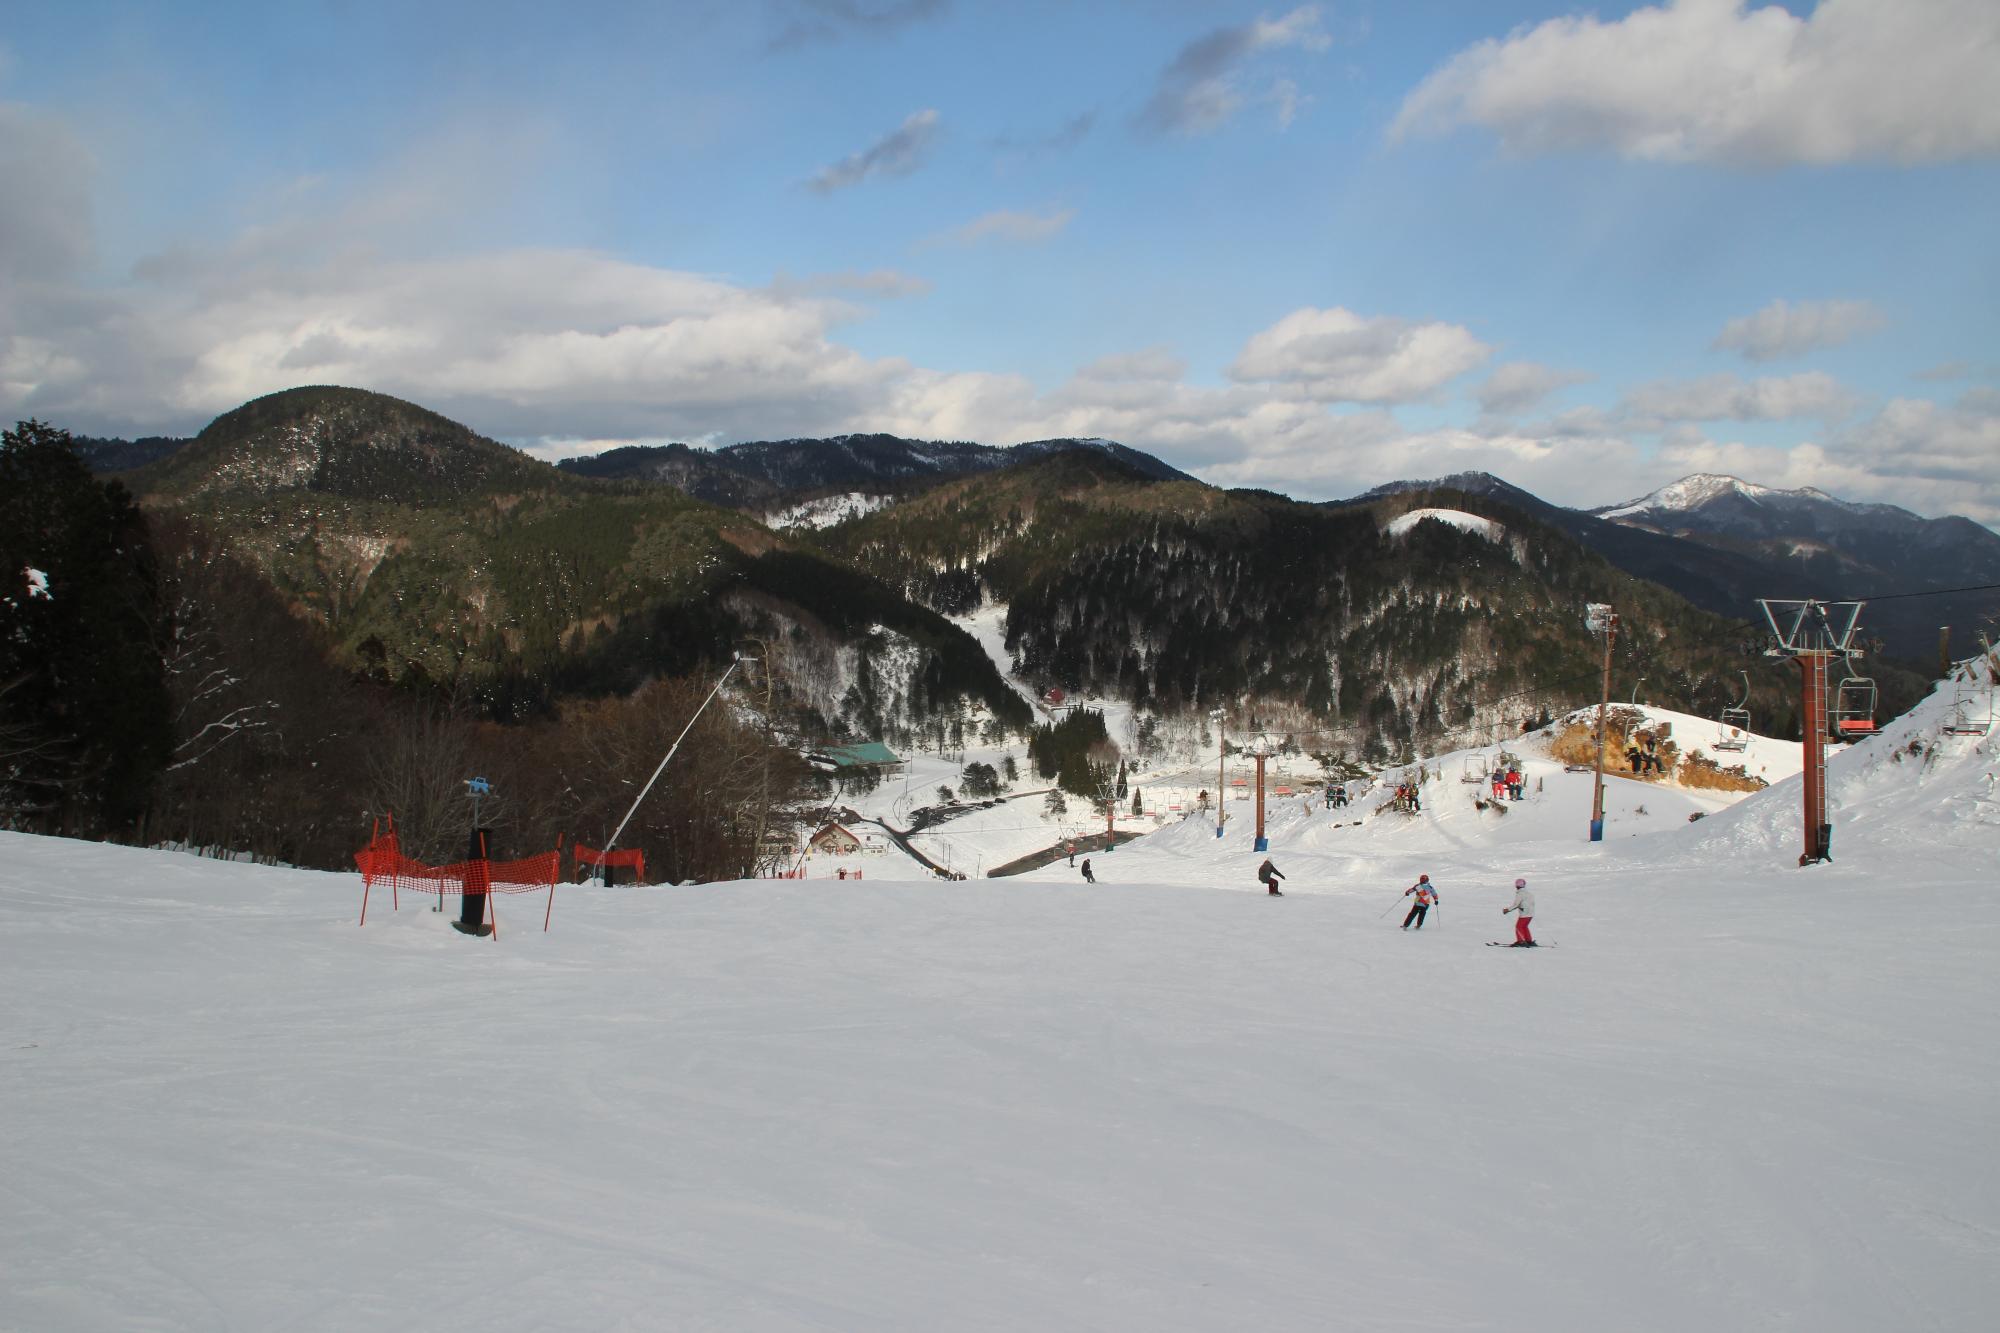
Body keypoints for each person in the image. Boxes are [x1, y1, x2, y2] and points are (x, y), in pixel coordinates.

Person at [1502, 877, 1536, 946]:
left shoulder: (1520, 894)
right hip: (1530, 914)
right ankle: (1528, 940)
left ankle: (1521, 941)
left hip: (1524, 914)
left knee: (1519, 927)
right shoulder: (1529, 893)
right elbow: (1532, 903)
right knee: (1524, 926)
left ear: (1517, 886)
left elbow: (1516, 905)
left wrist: (1507, 910)